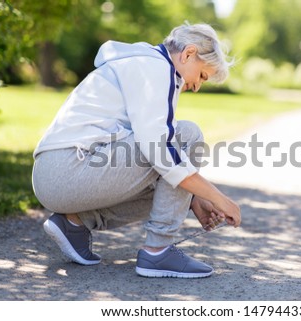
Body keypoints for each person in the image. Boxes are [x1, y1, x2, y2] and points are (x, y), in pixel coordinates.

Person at [32, 23, 241, 278]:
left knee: (172, 160)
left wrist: (193, 199)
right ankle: (158, 251)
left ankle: (75, 222)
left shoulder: (145, 64)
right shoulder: (157, 69)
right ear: (188, 54)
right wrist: (222, 200)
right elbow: (161, 151)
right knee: (187, 136)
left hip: (55, 173)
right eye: (202, 76)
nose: (196, 86)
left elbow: (152, 155)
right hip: (70, 168)